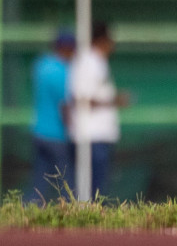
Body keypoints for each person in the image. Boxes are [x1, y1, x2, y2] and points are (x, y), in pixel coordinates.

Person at [70, 20, 127, 198]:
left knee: (99, 188)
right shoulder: (89, 61)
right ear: (102, 40)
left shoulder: (97, 62)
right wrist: (114, 101)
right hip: (92, 136)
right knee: (93, 190)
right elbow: (81, 98)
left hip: (99, 135)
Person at [26, 29, 75, 204]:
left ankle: (29, 208)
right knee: (66, 181)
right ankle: (71, 210)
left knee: (39, 179)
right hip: (56, 134)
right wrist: (72, 128)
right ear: (67, 48)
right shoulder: (61, 71)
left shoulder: (41, 65)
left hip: (38, 131)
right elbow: (64, 105)